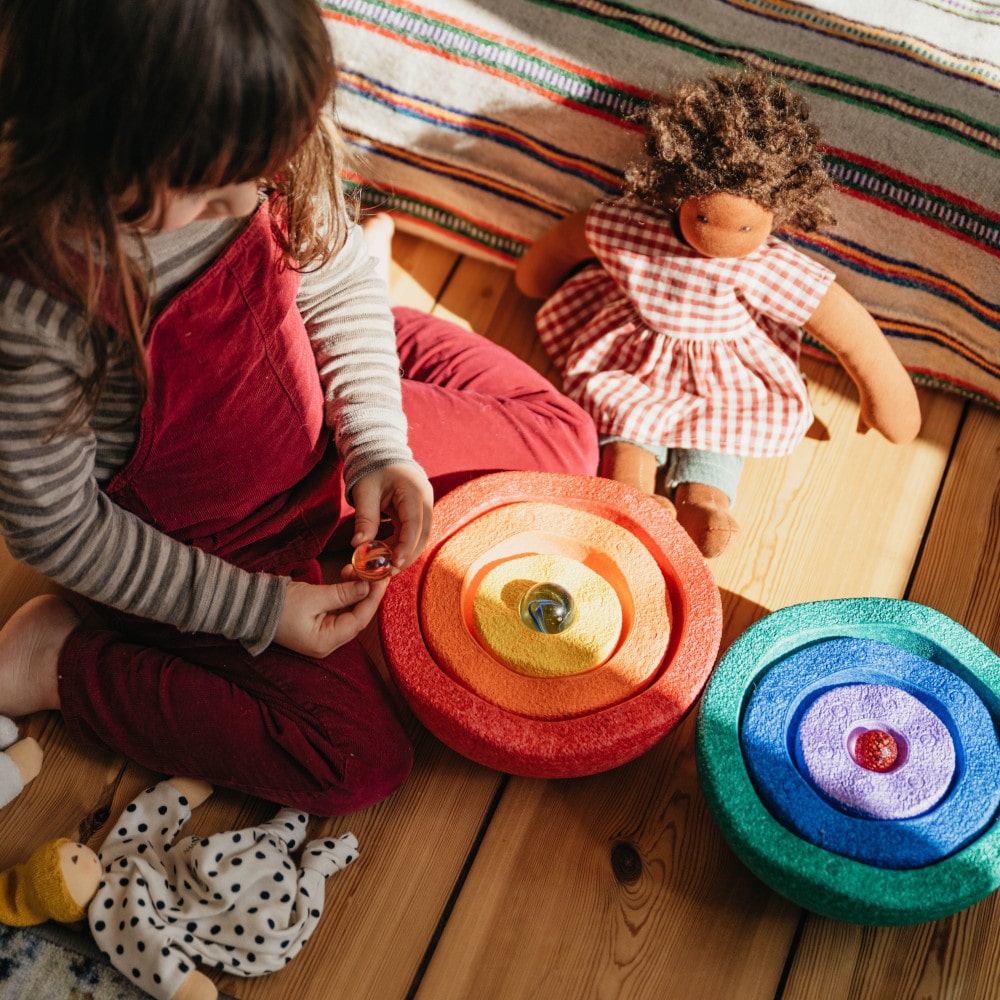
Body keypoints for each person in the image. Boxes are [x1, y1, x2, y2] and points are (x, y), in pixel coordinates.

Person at [0, 0, 598, 815]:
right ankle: (55, 660)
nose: (249, 201)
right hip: (207, 545)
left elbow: (337, 273)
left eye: (264, 172)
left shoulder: (251, 125)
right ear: (91, 149)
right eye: (211, 194)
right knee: (354, 762)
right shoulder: (41, 306)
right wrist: (260, 610)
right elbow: (57, 526)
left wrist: (379, 443)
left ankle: (352, 374)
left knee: (566, 440)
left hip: (307, 409)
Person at [516, 72, 920, 557]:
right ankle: (633, 498)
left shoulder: (767, 266)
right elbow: (567, 243)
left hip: (727, 372)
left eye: (747, 226)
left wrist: (882, 396)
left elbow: (848, 330)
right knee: (621, 414)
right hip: (635, 352)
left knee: (723, 425)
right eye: (703, 216)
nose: (719, 237)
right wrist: (535, 276)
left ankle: (705, 501)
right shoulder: (632, 228)